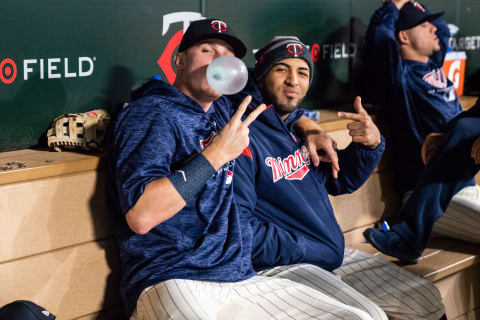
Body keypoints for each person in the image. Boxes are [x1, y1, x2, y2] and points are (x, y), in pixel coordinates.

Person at [108, 19, 377, 320]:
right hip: (174, 275)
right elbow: (141, 216)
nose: (218, 62)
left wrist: (309, 126)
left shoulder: (226, 109)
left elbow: (276, 91)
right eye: (207, 50)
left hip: (238, 275)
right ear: (179, 60)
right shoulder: (152, 114)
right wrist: (215, 156)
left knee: (362, 317)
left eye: (228, 56)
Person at [231, 36, 445, 320]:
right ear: (260, 76)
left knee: (425, 297)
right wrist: (309, 247)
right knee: (363, 316)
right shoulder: (242, 132)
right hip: (284, 264)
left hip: (326, 253)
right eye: (281, 69)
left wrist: (368, 145)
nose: (293, 80)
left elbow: (340, 180)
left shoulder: (295, 127)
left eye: (302, 72)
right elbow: (241, 228)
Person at [363, 0, 480, 257]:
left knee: (467, 125)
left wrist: (414, 6)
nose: (435, 30)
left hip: (464, 187)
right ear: (403, 36)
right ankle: (410, 233)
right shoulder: (400, 77)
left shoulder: (434, 66)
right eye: (424, 25)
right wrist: (393, 5)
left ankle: (410, 236)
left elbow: (442, 29)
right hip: (425, 193)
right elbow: (382, 39)